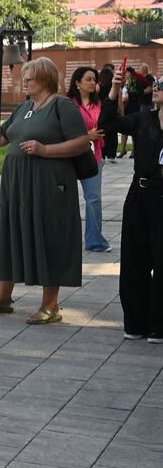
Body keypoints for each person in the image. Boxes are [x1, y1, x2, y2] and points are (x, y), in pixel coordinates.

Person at [0, 57, 91, 324]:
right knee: (12, 232)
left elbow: (83, 143)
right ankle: (3, 298)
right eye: (24, 78)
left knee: (50, 235)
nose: (24, 82)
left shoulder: (62, 106)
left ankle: (50, 305)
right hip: (17, 186)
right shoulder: (24, 107)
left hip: (49, 183)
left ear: (46, 79)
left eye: (30, 78)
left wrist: (45, 150)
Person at [110, 68, 163, 342]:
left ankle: (159, 324)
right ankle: (136, 322)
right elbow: (109, 123)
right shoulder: (144, 119)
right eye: (156, 83)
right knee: (134, 260)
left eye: (162, 85)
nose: (156, 86)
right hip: (140, 195)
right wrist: (114, 91)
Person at [69, 66, 109, 253]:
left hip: (93, 157)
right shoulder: (67, 105)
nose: (93, 82)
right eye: (89, 79)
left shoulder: (98, 104)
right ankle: (61, 238)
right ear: (77, 83)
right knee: (64, 199)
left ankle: (94, 241)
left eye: (95, 79)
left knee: (93, 198)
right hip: (68, 156)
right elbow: (62, 131)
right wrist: (87, 135)